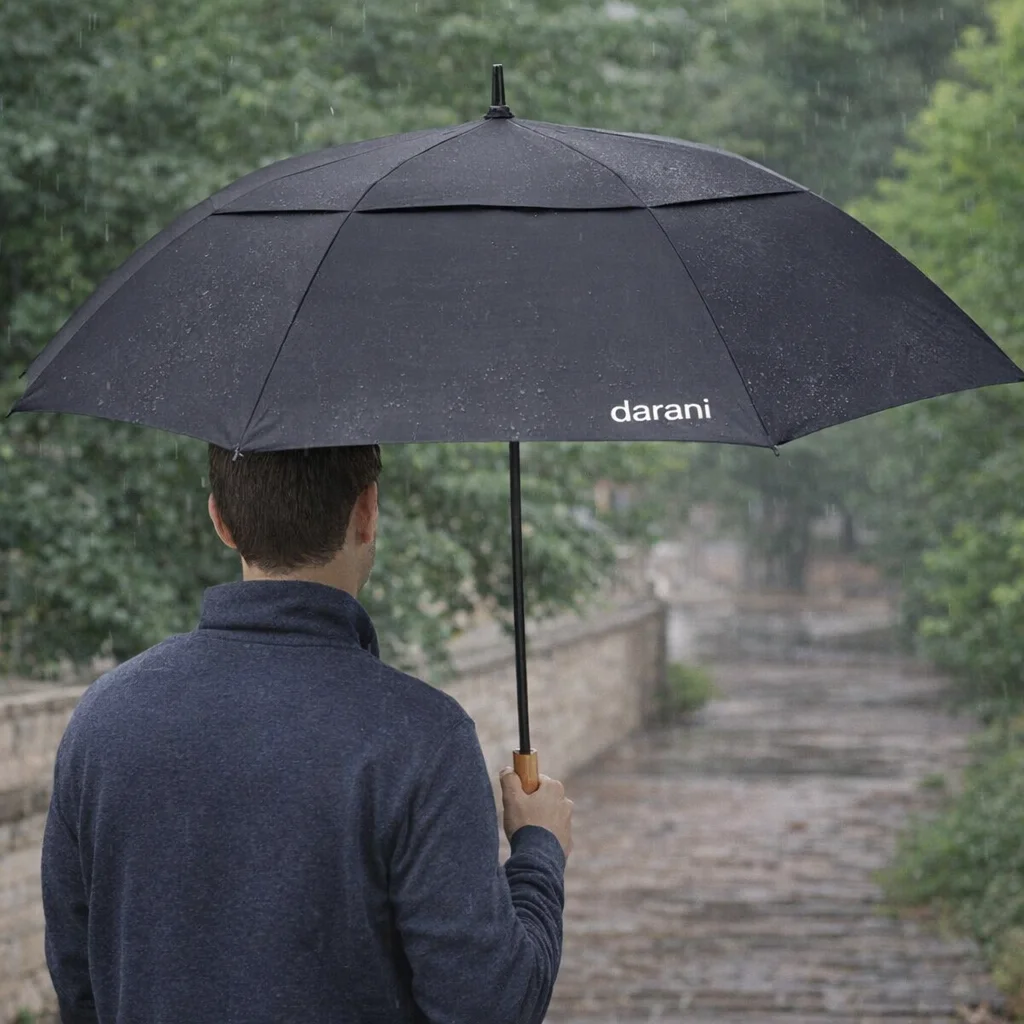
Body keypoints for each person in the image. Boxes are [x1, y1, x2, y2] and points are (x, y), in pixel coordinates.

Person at [41, 444, 574, 1024]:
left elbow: (79, 979)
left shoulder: (103, 717)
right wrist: (538, 850)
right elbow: (489, 1006)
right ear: (367, 512)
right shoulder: (421, 737)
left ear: (220, 520)